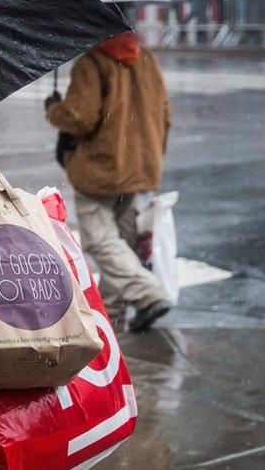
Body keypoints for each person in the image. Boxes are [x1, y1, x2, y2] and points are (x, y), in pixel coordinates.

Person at [45, 31, 172, 332]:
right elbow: (165, 115)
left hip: (101, 169)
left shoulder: (93, 62)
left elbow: (80, 118)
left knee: (100, 241)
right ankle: (112, 314)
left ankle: (148, 293)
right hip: (141, 168)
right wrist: (150, 157)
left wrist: (54, 109)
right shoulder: (146, 58)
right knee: (123, 245)